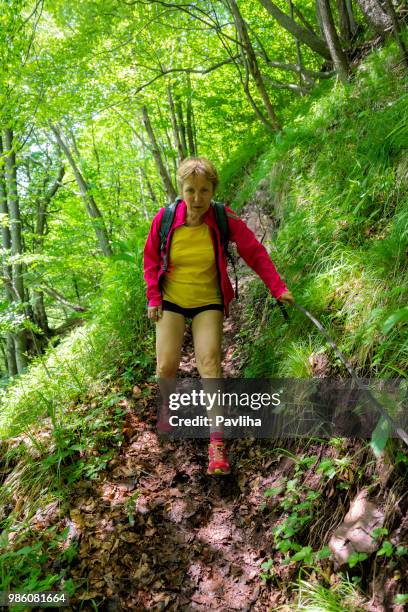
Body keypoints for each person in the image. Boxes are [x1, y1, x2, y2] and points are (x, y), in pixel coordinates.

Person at [143, 157, 294, 475]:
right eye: (190, 190)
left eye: (204, 191)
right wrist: (153, 298)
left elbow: (254, 250)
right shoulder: (166, 218)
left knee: (209, 363)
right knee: (166, 365)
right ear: (181, 189)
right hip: (171, 300)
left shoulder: (223, 218)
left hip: (208, 301)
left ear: (213, 191)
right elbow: (151, 258)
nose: (197, 198)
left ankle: (217, 444)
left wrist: (278, 287)